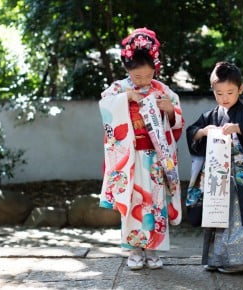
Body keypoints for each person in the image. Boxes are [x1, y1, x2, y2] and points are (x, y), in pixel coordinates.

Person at [98, 28, 184, 270]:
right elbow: (105, 107)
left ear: (155, 69)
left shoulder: (163, 90)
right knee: (134, 200)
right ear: (127, 70)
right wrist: (126, 98)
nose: (144, 81)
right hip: (131, 156)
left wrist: (168, 109)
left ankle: (154, 250)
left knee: (156, 202)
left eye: (147, 76)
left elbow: (177, 120)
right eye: (137, 77)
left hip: (156, 157)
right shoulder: (117, 89)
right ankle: (134, 251)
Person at [186, 61, 243, 273]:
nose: (224, 98)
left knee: (240, 215)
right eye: (219, 93)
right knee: (216, 214)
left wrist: (239, 128)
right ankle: (217, 258)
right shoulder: (210, 116)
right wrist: (203, 132)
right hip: (217, 176)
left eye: (230, 92)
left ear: (241, 89)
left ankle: (242, 260)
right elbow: (192, 132)